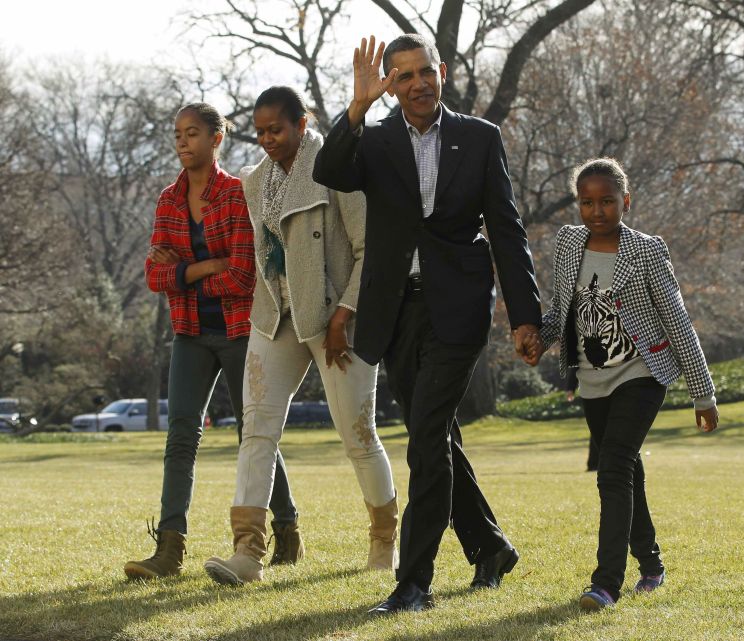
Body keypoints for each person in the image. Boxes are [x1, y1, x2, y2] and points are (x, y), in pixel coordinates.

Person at [313, 35, 543, 615]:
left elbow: (507, 229)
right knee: (434, 436)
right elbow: (330, 170)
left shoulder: (479, 138)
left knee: (425, 440)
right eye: (403, 75)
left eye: (425, 72)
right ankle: (490, 547)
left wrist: (525, 315)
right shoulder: (377, 138)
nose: (417, 84)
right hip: (396, 312)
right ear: (391, 81)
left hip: (459, 306)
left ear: (441, 71)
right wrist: (358, 109)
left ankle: (413, 582)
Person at [203, 86, 398, 586]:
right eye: (261, 131)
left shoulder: (336, 165)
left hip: (337, 319)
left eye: (277, 129)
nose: (268, 139)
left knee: (358, 435)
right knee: (257, 429)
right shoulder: (255, 181)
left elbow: (369, 249)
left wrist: (343, 316)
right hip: (274, 316)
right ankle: (247, 553)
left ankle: (384, 541)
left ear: (302, 122)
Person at [533, 157, 719, 610]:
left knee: (613, 469)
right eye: (587, 202)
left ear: (626, 201)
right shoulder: (568, 243)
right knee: (626, 468)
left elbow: (676, 319)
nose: (597, 211)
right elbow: (562, 311)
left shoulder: (648, 250)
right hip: (592, 379)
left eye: (607, 201)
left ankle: (606, 584)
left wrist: (703, 393)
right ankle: (651, 566)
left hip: (642, 372)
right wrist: (537, 338)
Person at [124, 102, 300, 579]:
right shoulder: (167, 200)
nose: (183, 142)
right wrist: (204, 266)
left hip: (242, 331)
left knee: (254, 433)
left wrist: (180, 270)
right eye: (178, 134)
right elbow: (154, 277)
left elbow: (242, 277)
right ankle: (169, 550)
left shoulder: (237, 194)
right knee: (181, 434)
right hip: (190, 333)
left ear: (216, 138)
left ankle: (286, 528)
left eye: (193, 133)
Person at [564, 369, 598, 471]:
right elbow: (576, 363)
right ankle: (594, 464)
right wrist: (571, 387)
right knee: (597, 429)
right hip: (593, 391)